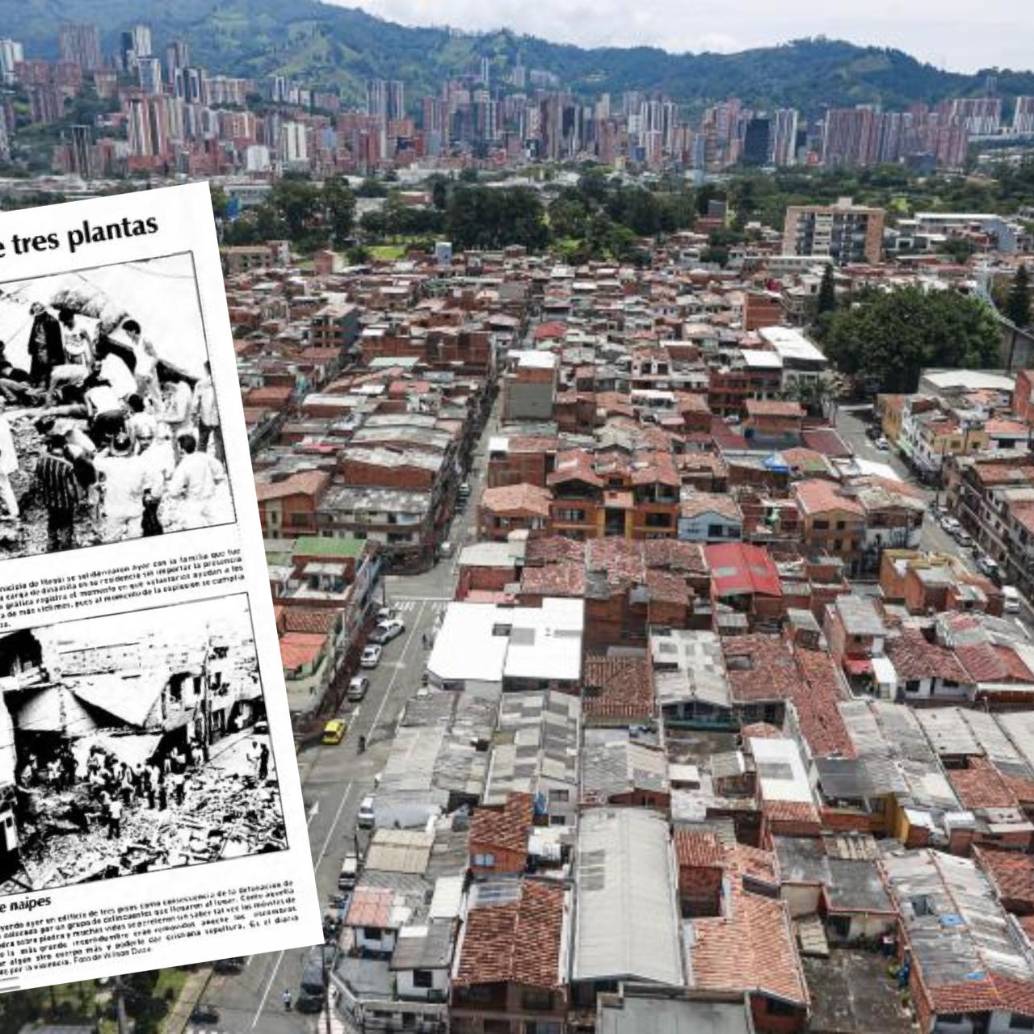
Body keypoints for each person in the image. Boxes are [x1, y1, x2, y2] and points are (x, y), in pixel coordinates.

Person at [166, 432, 228, 530]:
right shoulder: (203, 456)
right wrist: (215, 479)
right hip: (211, 499)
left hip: (194, 503)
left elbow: (173, 490)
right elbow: (219, 468)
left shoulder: (183, 465)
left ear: (181, 449)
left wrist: (179, 491)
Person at [35, 434, 83, 552]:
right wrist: (78, 499)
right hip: (65, 503)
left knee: (52, 521)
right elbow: (72, 486)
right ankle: (65, 547)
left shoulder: (41, 461)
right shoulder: (68, 466)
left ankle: (51, 544)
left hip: (49, 501)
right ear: (64, 446)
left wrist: (41, 496)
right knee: (66, 524)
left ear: (50, 446)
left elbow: (38, 480)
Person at [27, 302, 64, 387]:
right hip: (37, 350)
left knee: (46, 374)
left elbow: (56, 341)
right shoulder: (37, 319)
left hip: (47, 351)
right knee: (36, 373)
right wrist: (30, 346)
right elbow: (33, 334)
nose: (36, 315)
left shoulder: (52, 321)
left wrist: (54, 357)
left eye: (37, 312)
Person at [191, 361, 222, 462]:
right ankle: (219, 465)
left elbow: (195, 403)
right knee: (219, 443)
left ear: (206, 369)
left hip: (205, 417)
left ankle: (200, 462)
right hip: (218, 418)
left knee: (202, 442)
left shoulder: (201, 384)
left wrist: (194, 415)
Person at [0, 399, 19, 521]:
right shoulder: (2, 420)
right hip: (5, 459)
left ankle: (13, 511)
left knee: (4, 486)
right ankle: (12, 510)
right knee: (4, 486)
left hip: (1, 460)